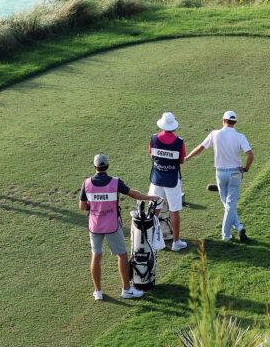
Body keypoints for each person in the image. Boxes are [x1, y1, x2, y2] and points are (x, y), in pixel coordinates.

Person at [79, 153, 161, 301]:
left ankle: (98, 292)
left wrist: (96, 208)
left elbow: (82, 206)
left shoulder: (86, 183)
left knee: (96, 256)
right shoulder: (115, 182)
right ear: (107, 166)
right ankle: (126, 290)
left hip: (95, 226)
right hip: (112, 225)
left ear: (95, 167)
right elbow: (134, 195)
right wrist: (150, 198)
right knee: (122, 255)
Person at [186, 110, 254, 242]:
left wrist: (187, 157)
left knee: (227, 203)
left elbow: (201, 147)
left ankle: (232, 231)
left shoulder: (214, 134)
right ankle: (232, 231)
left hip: (220, 173)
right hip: (235, 173)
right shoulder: (240, 136)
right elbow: (250, 155)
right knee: (230, 204)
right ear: (235, 122)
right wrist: (245, 169)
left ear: (223, 120)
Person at [147, 112, 188, 252]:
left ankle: (150, 240)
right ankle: (176, 242)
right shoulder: (179, 142)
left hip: (157, 179)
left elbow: (151, 153)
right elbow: (182, 160)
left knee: (154, 210)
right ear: (174, 126)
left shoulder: (153, 138)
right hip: (172, 180)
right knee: (174, 210)